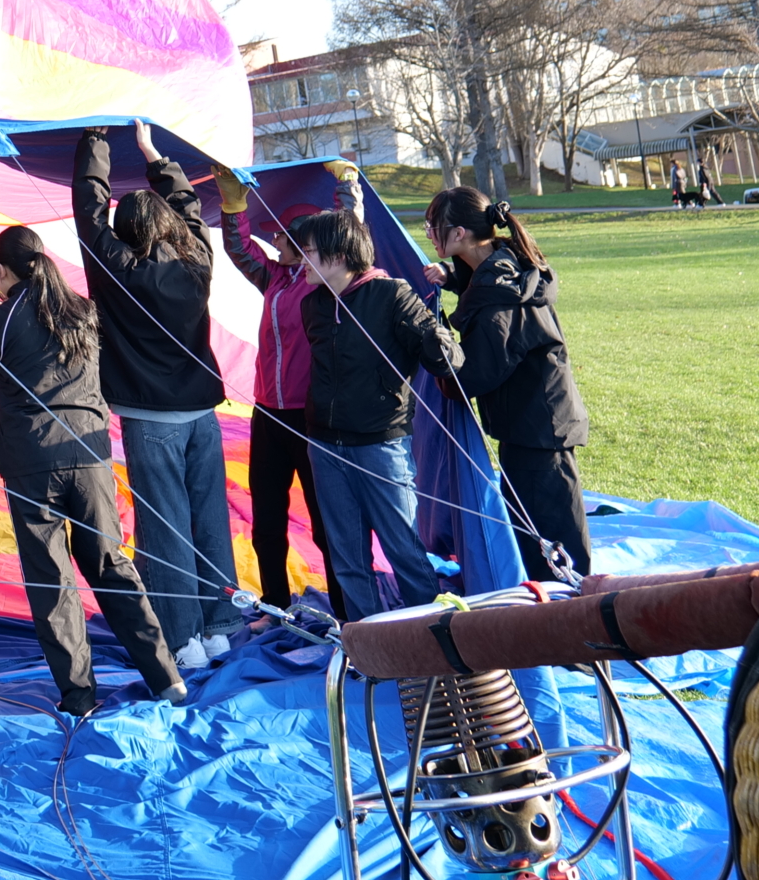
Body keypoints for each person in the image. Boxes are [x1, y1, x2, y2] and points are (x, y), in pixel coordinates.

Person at [0, 224, 189, 714]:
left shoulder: (2, 319)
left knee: (52, 579)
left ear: (0, 271)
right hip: (90, 453)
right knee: (111, 564)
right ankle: (166, 676)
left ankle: (79, 694)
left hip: (33, 461)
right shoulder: (83, 310)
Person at [71, 123, 237, 669]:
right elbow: (192, 213)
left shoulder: (119, 269)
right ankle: (220, 626)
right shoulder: (197, 264)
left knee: (165, 528)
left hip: (151, 420)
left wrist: (94, 141)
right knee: (209, 519)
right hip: (202, 416)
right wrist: (154, 156)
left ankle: (183, 639)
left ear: (125, 233)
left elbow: (90, 214)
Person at [292, 207, 465, 621]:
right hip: (324, 445)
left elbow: (445, 358)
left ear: (338, 255)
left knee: (403, 550)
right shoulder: (312, 304)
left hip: (380, 446)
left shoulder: (391, 295)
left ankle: (431, 634)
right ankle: (368, 642)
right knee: (347, 557)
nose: (300, 260)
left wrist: (439, 343)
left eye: (308, 251)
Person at [424, 187, 594, 580]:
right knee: (534, 530)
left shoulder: (500, 299)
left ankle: (576, 605)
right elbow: (484, 291)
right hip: (533, 421)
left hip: (538, 430)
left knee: (552, 538)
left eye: (434, 226)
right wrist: (453, 279)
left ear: (460, 233)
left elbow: (468, 377)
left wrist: (433, 338)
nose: (429, 234)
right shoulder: (503, 268)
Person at [212, 163, 351, 618]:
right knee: (267, 518)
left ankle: (347, 610)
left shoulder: (327, 285)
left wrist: (346, 188)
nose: (275, 242)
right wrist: (233, 206)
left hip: (310, 418)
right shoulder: (273, 276)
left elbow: (349, 237)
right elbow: (239, 249)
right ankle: (275, 603)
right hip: (268, 414)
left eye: (284, 237)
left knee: (325, 521)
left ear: (306, 243)